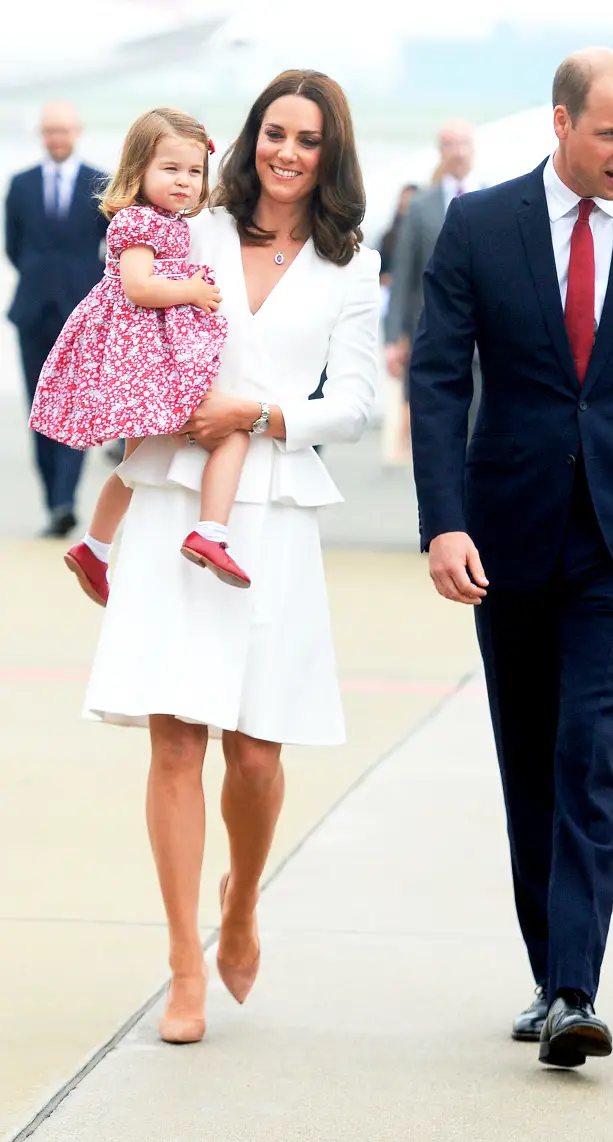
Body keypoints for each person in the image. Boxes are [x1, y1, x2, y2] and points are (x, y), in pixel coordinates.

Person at [408, 48, 613, 1068]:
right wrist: (444, 520)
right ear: (560, 124)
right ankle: (551, 968)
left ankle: (573, 987)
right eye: (611, 133)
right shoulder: (479, 223)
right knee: (529, 761)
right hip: (505, 535)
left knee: (587, 752)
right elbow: (434, 380)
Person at [81, 69, 380, 1045]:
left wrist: (258, 412)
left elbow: (359, 403)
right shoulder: (193, 227)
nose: (287, 153)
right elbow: (123, 301)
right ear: (250, 138)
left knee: (255, 753)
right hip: (174, 498)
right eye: (274, 133)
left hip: (274, 504)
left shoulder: (350, 265)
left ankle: (242, 898)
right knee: (176, 740)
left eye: (308, 140)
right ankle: (181, 966)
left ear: (330, 156)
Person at [29, 108, 240, 607]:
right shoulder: (138, 220)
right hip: (137, 354)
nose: (184, 182)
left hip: (149, 349)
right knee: (196, 437)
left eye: (194, 172)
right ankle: (203, 531)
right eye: (170, 170)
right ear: (138, 169)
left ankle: (96, 548)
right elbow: (139, 287)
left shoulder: (166, 220)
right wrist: (190, 289)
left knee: (139, 459)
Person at [4, 102, 109, 538]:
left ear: (77, 131)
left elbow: (113, 247)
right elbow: (13, 246)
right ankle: (54, 503)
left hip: (80, 315)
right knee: (39, 409)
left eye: (63, 130)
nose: (57, 138)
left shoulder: (98, 183)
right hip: (32, 312)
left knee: (75, 409)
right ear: (41, 134)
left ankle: (66, 498)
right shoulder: (21, 185)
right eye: (50, 131)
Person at [384, 120, 477, 458]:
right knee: (438, 435)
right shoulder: (421, 207)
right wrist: (393, 338)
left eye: (464, 143)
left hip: (485, 340)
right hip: (433, 334)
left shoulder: (493, 197)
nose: (459, 152)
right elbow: (403, 274)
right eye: (450, 144)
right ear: (441, 152)